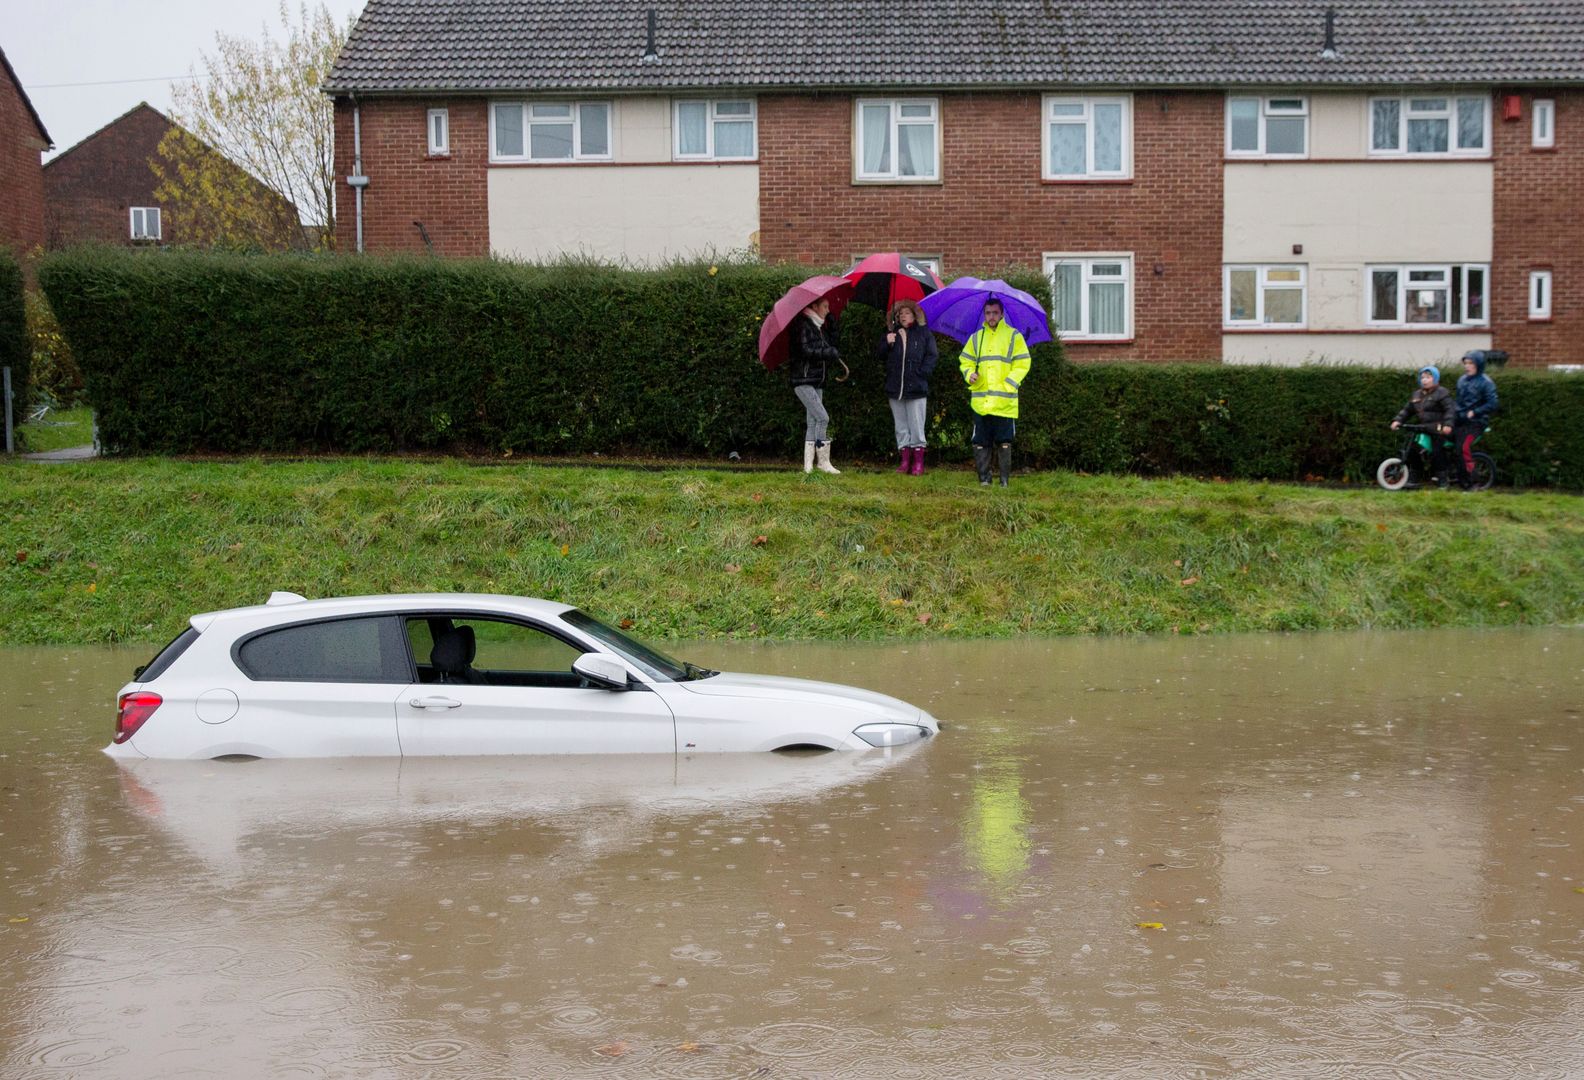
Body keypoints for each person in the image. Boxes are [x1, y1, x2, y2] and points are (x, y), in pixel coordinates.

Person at [959, 298, 1031, 487]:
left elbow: (1023, 362)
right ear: (984, 314)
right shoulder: (976, 337)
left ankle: (1004, 480)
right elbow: (965, 361)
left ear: (1001, 314)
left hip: (1004, 401)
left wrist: (1010, 382)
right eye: (988, 313)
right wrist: (969, 374)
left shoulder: (1014, 336)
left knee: (1004, 441)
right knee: (981, 441)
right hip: (981, 400)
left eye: (995, 313)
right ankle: (984, 479)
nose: (991, 316)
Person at [877, 299, 938, 475]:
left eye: (907, 313)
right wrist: (887, 343)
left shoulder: (924, 333)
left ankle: (918, 463)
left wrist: (922, 373)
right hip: (895, 387)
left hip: (916, 387)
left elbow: (932, 355)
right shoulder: (891, 334)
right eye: (900, 313)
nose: (903, 316)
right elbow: (879, 355)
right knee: (901, 426)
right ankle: (904, 461)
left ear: (914, 315)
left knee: (917, 425)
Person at [786, 298, 843, 474]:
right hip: (803, 381)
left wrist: (832, 327)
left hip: (816, 380)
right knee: (823, 418)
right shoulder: (803, 325)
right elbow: (805, 351)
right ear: (814, 306)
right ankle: (823, 462)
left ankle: (808, 466)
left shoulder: (818, 326)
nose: (827, 310)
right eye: (825, 306)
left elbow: (830, 345)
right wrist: (826, 353)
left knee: (812, 421)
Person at [1390, 365, 1455, 486]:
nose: (1424, 380)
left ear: (1435, 379)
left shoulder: (1442, 393)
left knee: (1437, 451)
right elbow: (1407, 410)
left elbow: (1450, 410)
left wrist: (1448, 424)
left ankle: (1443, 479)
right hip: (1424, 428)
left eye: (1428, 377)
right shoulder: (1417, 395)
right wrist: (1398, 420)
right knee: (1412, 450)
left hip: (1438, 428)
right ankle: (1414, 476)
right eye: (1422, 377)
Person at [1452, 350, 1498, 490]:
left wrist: (1475, 412)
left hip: (1476, 423)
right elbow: (1458, 401)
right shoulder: (1461, 380)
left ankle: (1472, 483)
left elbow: (1493, 403)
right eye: (1466, 363)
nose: (1467, 366)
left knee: (1463, 447)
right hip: (1460, 420)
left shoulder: (1486, 382)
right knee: (1438, 435)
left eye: (1471, 363)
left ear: (1479, 364)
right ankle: (1444, 476)